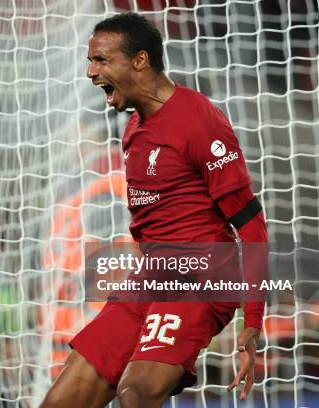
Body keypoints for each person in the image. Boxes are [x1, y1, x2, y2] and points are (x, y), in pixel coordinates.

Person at [40, 13, 267, 408]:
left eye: (101, 60)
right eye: (90, 61)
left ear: (139, 61)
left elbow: (252, 228)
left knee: (138, 392)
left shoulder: (198, 121)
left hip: (203, 277)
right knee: (62, 401)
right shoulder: (133, 129)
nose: (90, 72)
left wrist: (252, 322)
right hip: (151, 279)